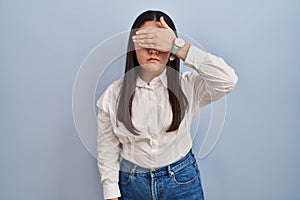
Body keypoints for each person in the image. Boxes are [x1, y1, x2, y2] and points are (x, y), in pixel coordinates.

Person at [96, 10, 238, 200]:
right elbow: (107, 149)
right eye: (147, 41)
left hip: (182, 181)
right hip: (132, 185)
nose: (153, 50)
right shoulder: (112, 95)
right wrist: (111, 193)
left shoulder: (188, 87)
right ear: (133, 47)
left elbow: (227, 80)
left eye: (160, 42)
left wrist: (180, 48)